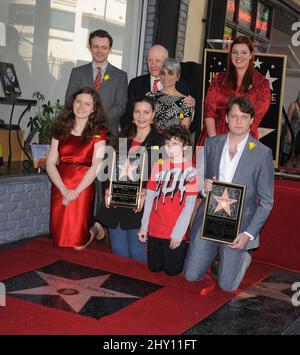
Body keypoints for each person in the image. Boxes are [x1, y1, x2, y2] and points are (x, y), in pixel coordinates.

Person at [184, 96, 274, 291]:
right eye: (234, 116)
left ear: (251, 120)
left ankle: (243, 257)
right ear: (226, 119)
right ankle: (213, 252)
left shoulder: (262, 153)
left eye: (244, 117)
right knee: (191, 276)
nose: (238, 121)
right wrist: (203, 188)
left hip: (240, 226)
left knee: (226, 286)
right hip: (210, 218)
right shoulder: (211, 144)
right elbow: (199, 180)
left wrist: (249, 234)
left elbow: (267, 201)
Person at [95, 96, 164, 262]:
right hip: (117, 202)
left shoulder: (160, 141)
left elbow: (163, 174)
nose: (141, 117)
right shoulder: (121, 137)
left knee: (137, 253)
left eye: (146, 112)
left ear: (153, 114)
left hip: (141, 205)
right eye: (137, 112)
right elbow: (107, 168)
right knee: (118, 252)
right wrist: (107, 189)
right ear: (132, 115)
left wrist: (148, 192)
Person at [46, 87, 108, 250]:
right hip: (60, 185)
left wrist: (76, 191)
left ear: (94, 108)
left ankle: (95, 229)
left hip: (84, 186)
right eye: (78, 101)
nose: (81, 106)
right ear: (72, 103)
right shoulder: (60, 129)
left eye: (87, 104)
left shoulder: (99, 133)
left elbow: (97, 165)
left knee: (78, 246)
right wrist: (64, 190)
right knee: (58, 241)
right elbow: (51, 163)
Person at [138, 125, 198, 276]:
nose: (170, 148)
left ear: (185, 147)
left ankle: (186, 249)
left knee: (172, 271)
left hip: (174, 229)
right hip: (155, 227)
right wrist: (145, 227)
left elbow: (189, 206)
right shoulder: (158, 166)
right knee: (154, 268)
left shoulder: (191, 170)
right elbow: (150, 198)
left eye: (175, 144)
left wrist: (178, 234)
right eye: (167, 143)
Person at [196, 35, 271, 147]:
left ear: (251, 55)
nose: (238, 56)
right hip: (215, 134)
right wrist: (215, 141)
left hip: (244, 138)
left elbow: (256, 116)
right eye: (235, 52)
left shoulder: (261, 83)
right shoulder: (219, 79)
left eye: (244, 52)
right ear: (230, 55)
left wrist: (237, 143)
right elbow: (208, 111)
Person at [66, 29, 127, 135]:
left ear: (110, 50)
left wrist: (98, 122)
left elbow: (120, 106)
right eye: (96, 47)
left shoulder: (120, 76)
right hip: (80, 132)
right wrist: (85, 122)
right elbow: (69, 100)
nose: (100, 51)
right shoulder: (77, 73)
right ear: (90, 48)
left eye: (104, 48)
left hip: (108, 133)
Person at [122, 44, 195, 129]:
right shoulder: (135, 84)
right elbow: (126, 116)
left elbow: (187, 123)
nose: (153, 65)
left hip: (171, 139)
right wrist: (129, 138)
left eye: (157, 60)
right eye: (150, 60)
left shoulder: (182, 86)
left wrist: (192, 108)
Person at [146, 58, 193, 131]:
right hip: (152, 140)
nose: (166, 77)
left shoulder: (185, 102)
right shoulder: (150, 96)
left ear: (178, 76)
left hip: (173, 141)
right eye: (163, 73)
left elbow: (184, 131)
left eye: (170, 73)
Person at [283, 90, 300, 168]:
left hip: (299, 137)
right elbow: (288, 121)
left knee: (298, 158)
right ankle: (287, 177)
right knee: (290, 158)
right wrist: (289, 135)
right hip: (292, 134)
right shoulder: (293, 105)